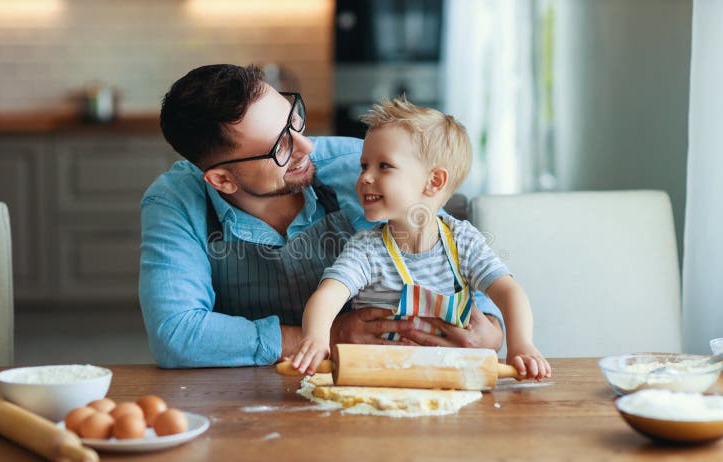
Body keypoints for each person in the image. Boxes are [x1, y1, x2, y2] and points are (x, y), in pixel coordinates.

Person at [140, 64, 505, 368]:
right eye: (280, 146)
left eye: (294, 120)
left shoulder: (360, 168)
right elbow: (176, 334)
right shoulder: (176, 200)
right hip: (251, 392)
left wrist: (490, 328)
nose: (306, 146)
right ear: (221, 179)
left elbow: (451, 258)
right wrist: (325, 335)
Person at [289, 98, 551, 380]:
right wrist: (316, 338)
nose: (365, 178)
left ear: (434, 181)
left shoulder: (462, 241)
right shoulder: (366, 248)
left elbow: (509, 293)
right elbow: (328, 295)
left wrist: (521, 344)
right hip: (380, 381)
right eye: (364, 166)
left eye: (384, 166)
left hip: (452, 380)